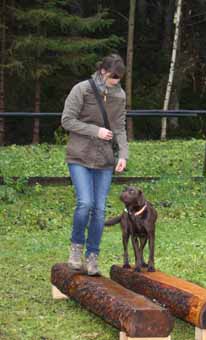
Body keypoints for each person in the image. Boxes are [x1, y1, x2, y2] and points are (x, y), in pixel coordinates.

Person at [61, 54, 128, 275]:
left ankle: (92, 256)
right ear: (102, 71)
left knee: (99, 210)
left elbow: (119, 128)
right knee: (85, 204)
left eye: (118, 79)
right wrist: (95, 130)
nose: (115, 83)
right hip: (79, 155)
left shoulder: (120, 96)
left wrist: (123, 155)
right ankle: (76, 248)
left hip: (105, 160)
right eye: (112, 78)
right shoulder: (82, 89)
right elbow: (67, 120)